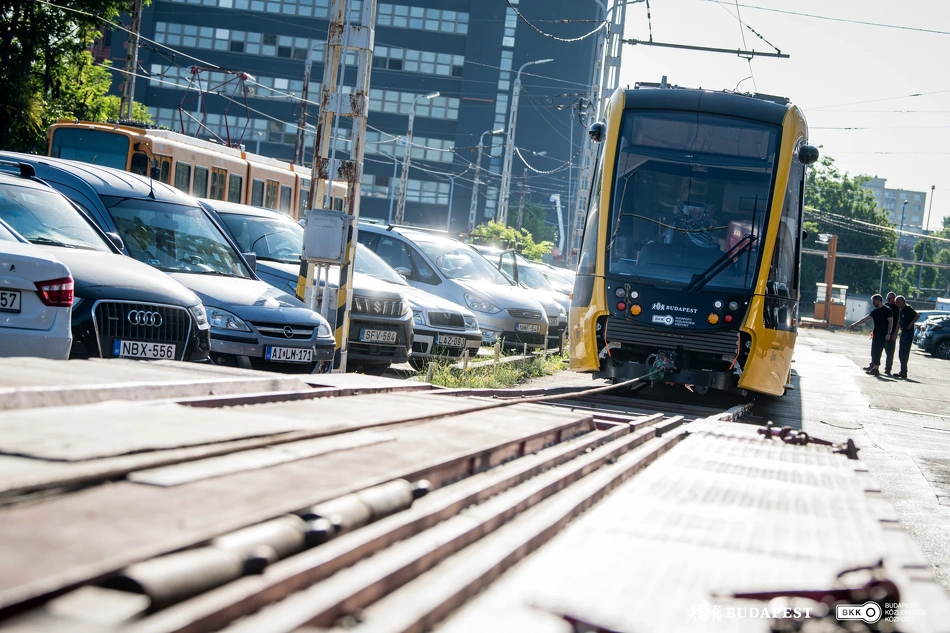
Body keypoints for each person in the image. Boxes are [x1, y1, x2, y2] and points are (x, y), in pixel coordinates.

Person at [847, 294, 893, 376]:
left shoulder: (887, 310)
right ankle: (875, 368)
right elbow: (865, 319)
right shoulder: (875, 311)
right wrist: (854, 324)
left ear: (878, 300)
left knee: (881, 351)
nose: (873, 303)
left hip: (884, 334)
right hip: (876, 334)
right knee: (874, 351)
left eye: (873, 301)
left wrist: (889, 333)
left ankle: (878, 369)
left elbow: (890, 322)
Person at [895, 295, 920, 379]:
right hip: (903, 332)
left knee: (904, 352)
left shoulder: (908, 308)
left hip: (908, 333)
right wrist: (900, 327)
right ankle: (902, 370)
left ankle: (904, 371)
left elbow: (917, 316)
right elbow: (900, 320)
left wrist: (910, 324)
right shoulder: (901, 310)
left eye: (898, 302)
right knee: (901, 353)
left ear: (902, 302)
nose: (897, 304)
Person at [883, 292, 899, 375]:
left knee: (889, 352)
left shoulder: (897, 308)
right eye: (887, 298)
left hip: (892, 332)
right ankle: (874, 365)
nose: (888, 300)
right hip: (882, 331)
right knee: (877, 349)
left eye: (890, 298)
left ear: (894, 299)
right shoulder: (885, 306)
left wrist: (895, 333)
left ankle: (888, 368)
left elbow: (898, 322)